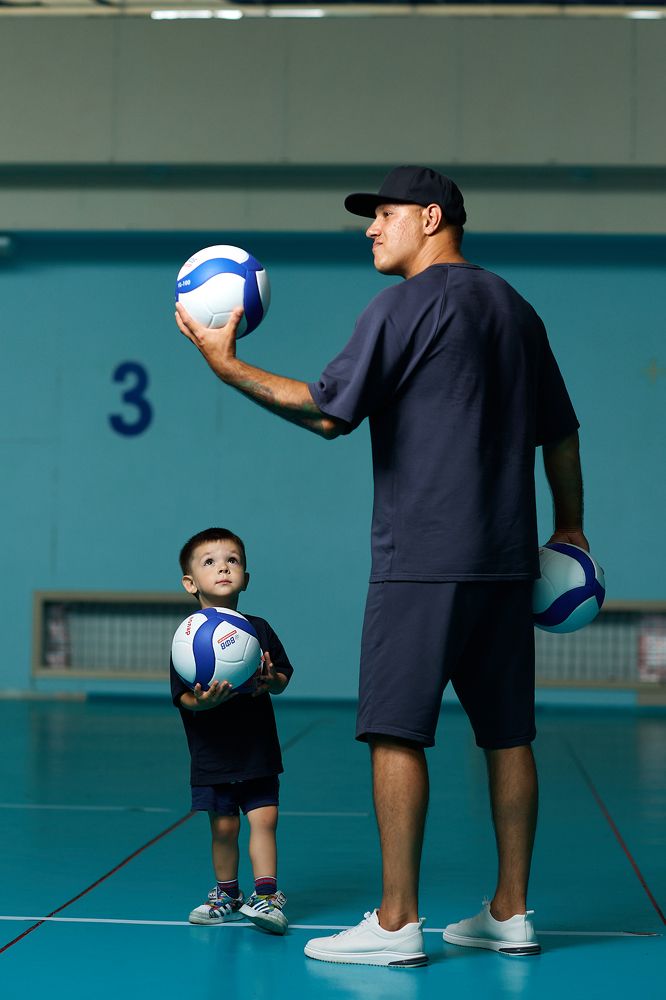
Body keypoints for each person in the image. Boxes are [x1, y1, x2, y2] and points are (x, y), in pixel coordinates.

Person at [175, 166, 586, 967]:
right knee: (508, 737)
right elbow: (561, 433)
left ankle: (397, 925)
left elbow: (328, 413)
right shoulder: (515, 308)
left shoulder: (404, 304)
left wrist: (226, 368)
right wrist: (569, 530)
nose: (372, 228)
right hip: (507, 559)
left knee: (395, 733)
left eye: (386, 214)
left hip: (422, 559)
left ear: (431, 218)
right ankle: (510, 912)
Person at [171, 526, 294, 934]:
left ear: (246, 576)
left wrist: (270, 681)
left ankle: (267, 896)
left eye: (232, 560)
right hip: (213, 754)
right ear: (191, 583)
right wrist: (202, 703)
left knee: (265, 820)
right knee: (224, 827)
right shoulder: (186, 640)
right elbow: (182, 696)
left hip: (257, 749)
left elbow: (283, 677)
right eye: (210, 562)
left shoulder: (258, 629)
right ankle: (227, 893)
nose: (223, 567)